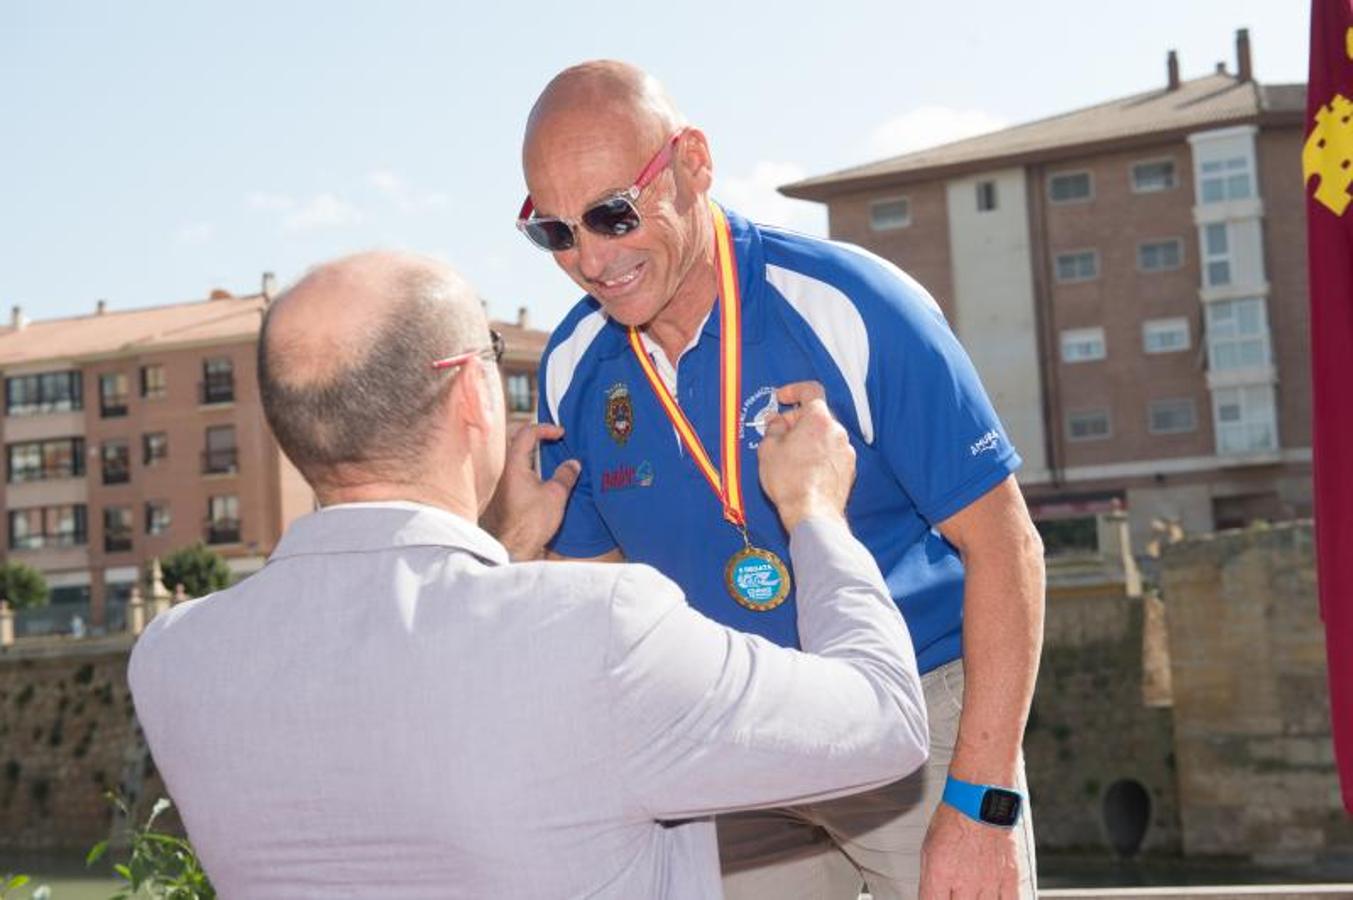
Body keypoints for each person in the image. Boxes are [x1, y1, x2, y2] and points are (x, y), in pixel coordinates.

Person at [127, 250, 930, 898]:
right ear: (472, 394)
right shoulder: (600, 630)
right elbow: (885, 722)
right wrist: (814, 513)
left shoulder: (173, 659)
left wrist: (503, 550)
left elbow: (405, 712)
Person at [524, 62, 1046, 898]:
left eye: (611, 214)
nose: (590, 258)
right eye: (552, 232)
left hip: (912, 716)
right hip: (726, 746)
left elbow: (1006, 548)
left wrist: (981, 800)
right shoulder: (573, 366)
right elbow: (596, 607)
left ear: (692, 163)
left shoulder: (853, 303)